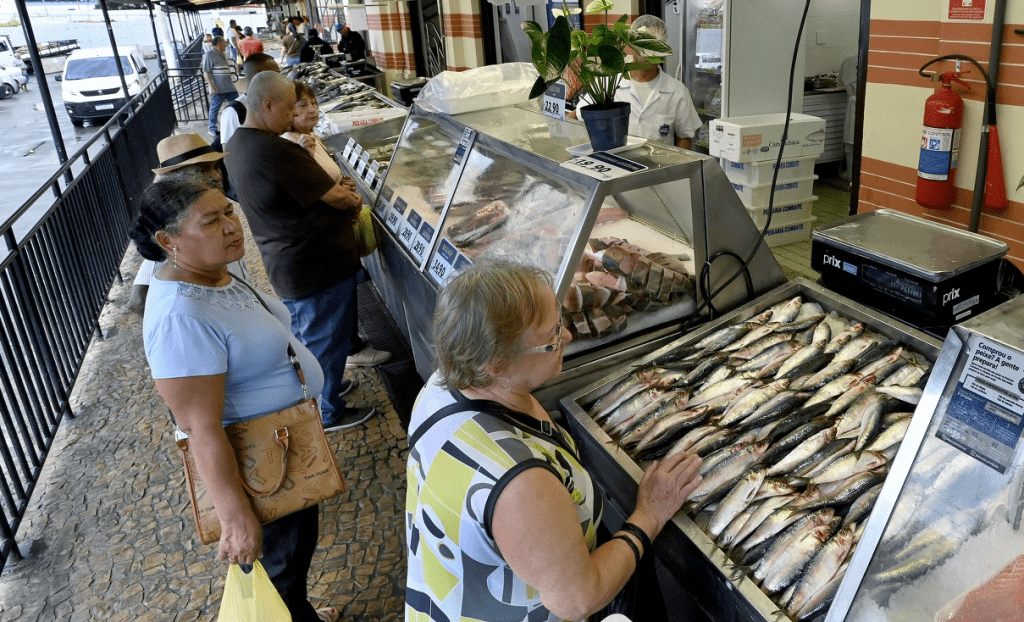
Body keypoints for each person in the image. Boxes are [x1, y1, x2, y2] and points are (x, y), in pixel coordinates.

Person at [405, 261, 704, 622]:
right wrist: (650, 514)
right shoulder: (518, 484)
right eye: (553, 339)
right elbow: (578, 599)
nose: (570, 339)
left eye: (560, 324)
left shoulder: (443, 384)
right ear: (497, 365)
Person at [130, 175, 341, 622]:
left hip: (286, 445)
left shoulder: (218, 271)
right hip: (258, 466)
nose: (231, 226)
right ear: (169, 241)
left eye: (229, 210)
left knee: (293, 560)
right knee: (278, 570)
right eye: (212, 220)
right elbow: (200, 427)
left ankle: (298, 612)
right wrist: (235, 517)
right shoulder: (180, 317)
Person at [223, 71, 374, 430]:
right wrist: (350, 197)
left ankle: (328, 389)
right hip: (314, 267)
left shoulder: (237, 145)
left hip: (289, 263)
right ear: (267, 105)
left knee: (311, 341)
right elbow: (336, 197)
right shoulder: (273, 149)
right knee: (325, 342)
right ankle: (327, 412)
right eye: (289, 108)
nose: (293, 116)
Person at [282, 81, 394, 369]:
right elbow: (313, 192)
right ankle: (331, 394)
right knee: (328, 315)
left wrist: (342, 184)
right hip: (323, 243)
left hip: (338, 235)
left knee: (340, 304)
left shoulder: (312, 138)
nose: (313, 110)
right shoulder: (293, 147)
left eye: (314, 103)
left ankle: (346, 351)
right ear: (286, 112)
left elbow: (327, 178)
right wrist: (349, 200)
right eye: (302, 105)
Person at [129, 133, 250, 316]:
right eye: (202, 170)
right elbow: (138, 302)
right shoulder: (176, 238)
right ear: (174, 180)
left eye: (215, 167)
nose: (215, 176)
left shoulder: (215, 208)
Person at [217, 52, 280, 152]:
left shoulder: (275, 102)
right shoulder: (234, 111)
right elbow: (229, 154)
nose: (280, 79)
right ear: (257, 77)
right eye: (275, 74)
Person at [203, 36, 238, 139]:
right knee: (214, 108)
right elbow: (206, 73)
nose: (226, 45)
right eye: (224, 43)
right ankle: (212, 128)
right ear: (218, 44)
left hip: (229, 87)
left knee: (238, 104)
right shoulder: (210, 54)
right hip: (219, 89)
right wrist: (212, 87)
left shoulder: (221, 54)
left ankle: (239, 123)